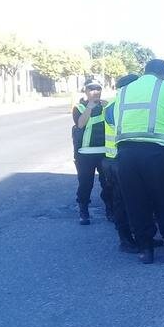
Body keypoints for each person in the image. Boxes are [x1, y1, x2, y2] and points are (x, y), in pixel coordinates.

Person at [107, 59, 164, 264]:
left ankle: (145, 251)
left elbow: (110, 117)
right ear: (163, 73)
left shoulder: (124, 91)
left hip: (126, 155)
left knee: (136, 203)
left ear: (144, 72)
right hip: (158, 154)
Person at [103, 73, 139, 252]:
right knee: (122, 203)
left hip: (119, 160)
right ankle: (126, 241)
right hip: (117, 161)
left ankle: (137, 237)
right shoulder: (117, 106)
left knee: (132, 201)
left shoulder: (118, 104)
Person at [72, 81, 112, 225]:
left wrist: (107, 107)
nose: (95, 91)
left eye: (98, 88)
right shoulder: (79, 107)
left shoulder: (106, 106)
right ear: (85, 91)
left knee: (108, 184)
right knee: (85, 183)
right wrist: (89, 107)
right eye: (91, 89)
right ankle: (83, 210)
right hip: (84, 153)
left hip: (104, 151)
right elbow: (80, 124)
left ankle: (110, 209)